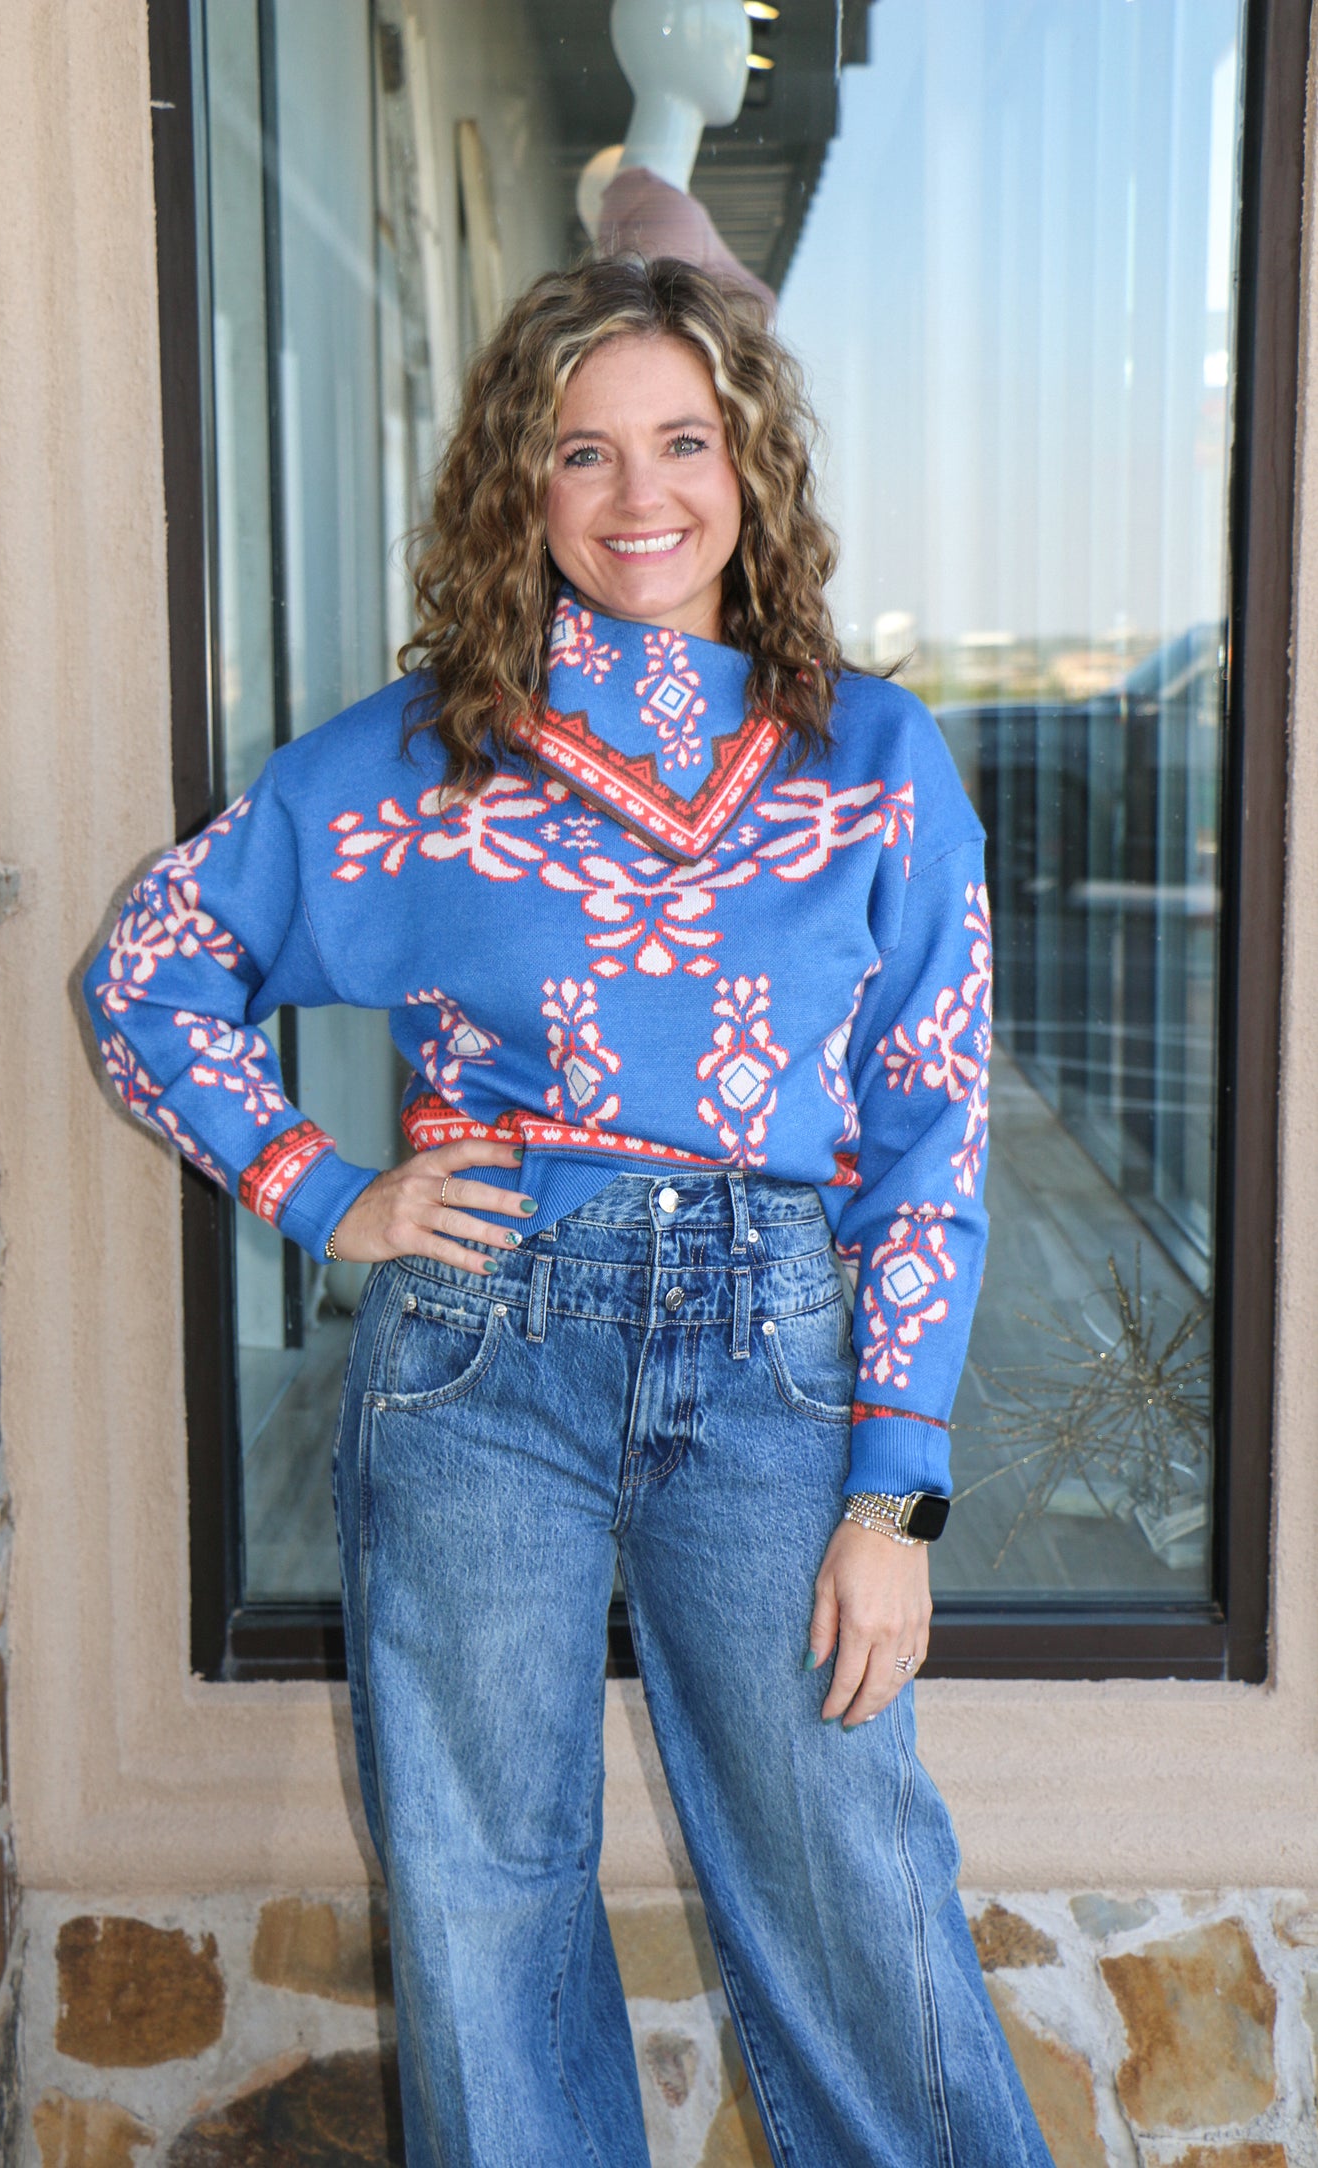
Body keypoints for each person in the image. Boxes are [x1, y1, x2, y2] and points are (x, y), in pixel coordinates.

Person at [84, 258, 1052, 2167]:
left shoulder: (873, 762)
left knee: (848, 1867)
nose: (638, 497)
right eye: (581, 452)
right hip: (479, 1357)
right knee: (483, 1894)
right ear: (516, 487)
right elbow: (148, 975)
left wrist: (897, 1499)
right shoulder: (411, 763)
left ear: (750, 466)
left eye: (682, 442)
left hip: (777, 1360)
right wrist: (325, 1193)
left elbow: (930, 1138)